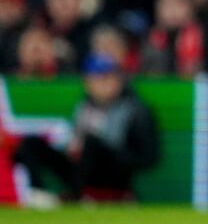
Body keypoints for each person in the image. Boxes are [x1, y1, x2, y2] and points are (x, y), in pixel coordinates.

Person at [13, 54, 159, 205]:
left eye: (106, 78)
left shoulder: (136, 110)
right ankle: (37, 193)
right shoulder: (84, 106)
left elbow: (148, 157)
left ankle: (75, 196)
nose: (101, 84)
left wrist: (109, 152)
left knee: (91, 143)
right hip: (80, 167)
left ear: (119, 79)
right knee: (31, 144)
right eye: (95, 79)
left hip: (113, 175)